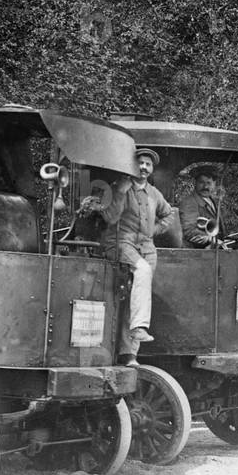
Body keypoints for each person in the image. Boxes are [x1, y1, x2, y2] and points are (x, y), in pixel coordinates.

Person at [94, 147, 174, 366]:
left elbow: (168, 214)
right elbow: (110, 219)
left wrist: (154, 230)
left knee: (137, 297)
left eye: (148, 164)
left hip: (147, 247)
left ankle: (129, 354)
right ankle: (138, 328)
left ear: (152, 169)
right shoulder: (118, 188)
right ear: (132, 165)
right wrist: (120, 192)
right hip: (120, 243)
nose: (144, 168)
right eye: (140, 163)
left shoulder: (154, 193)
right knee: (142, 272)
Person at [179, 166, 224, 248]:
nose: (205, 187)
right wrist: (212, 240)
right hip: (196, 252)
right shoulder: (189, 202)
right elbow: (189, 232)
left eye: (209, 183)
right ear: (195, 183)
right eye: (201, 182)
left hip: (213, 251)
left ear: (214, 184)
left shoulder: (212, 201)